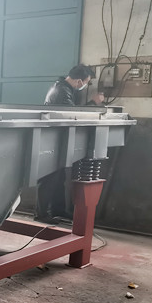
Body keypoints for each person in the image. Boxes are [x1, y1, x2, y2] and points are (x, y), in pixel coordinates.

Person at [36, 64, 103, 223]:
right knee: (49, 178)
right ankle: (41, 214)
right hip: (52, 140)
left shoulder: (62, 87)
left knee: (58, 178)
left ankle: (58, 210)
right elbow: (72, 114)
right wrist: (93, 103)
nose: (85, 85)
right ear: (79, 81)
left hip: (57, 139)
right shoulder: (62, 91)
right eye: (86, 82)